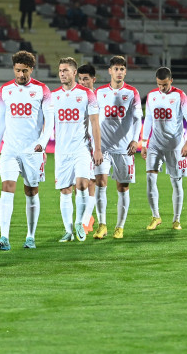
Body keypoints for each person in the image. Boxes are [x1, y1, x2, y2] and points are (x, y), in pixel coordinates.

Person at [0, 51, 53, 250]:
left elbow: (50, 120)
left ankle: (30, 236)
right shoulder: (4, 90)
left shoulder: (42, 90)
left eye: (24, 71)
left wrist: (43, 142)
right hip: (9, 149)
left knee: (31, 190)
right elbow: (0, 120)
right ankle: (4, 237)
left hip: (32, 150)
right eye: (17, 70)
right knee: (7, 187)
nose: (21, 75)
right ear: (13, 69)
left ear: (31, 69)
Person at [52, 58, 102, 242]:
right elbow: (47, 122)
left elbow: (95, 122)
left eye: (65, 70)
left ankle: (80, 222)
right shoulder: (53, 96)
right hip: (61, 151)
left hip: (81, 147)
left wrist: (98, 149)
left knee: (82, 184)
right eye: (60, 70)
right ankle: (68, 230)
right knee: (65, 190)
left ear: (74, 73)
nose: (62, 73)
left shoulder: (87, 94)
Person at [93, 56, 142, 239]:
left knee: (122, 187)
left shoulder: (132, 92)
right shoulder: (99, 92)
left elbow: (138, 118)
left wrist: (136, 140)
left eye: (122, 69)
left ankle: (119, 227)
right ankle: (102, 225)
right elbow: (94, 118)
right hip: (103, 147)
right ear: (110, 71)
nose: (119, 72)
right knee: (100, 183)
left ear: (125, 71)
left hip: (124, 148)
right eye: (116, 69)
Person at [141, 67, 187, 231]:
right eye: (159, 84)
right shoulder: (152, 96)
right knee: (150, 179)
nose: (162, 88)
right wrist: (144, 143)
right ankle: (156, 216)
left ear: (171, 80)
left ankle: (176, 219)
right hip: (155, 144)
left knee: (176, 182)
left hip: (175, 146)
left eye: (164, 85)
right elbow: (148, 119)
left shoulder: (180, 96)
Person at [76, 63, 98, 232]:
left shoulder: (97, 96)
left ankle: (85, 221)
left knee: (92, 182)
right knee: (82, 183)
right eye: (80, 79)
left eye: (86, 79)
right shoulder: (78, 96)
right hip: (81, 145)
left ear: (93, 80)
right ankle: (87, 217)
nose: (83, 82)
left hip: (96, 145)